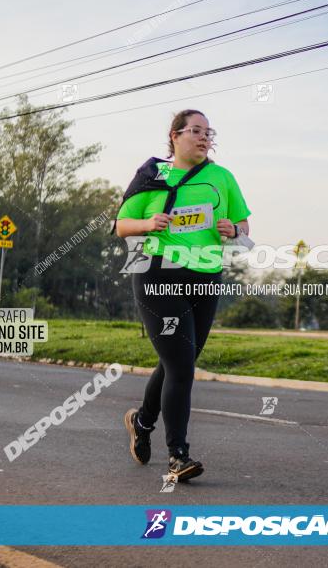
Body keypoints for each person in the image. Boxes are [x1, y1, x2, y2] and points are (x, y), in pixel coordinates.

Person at [115, 109, 251, 482]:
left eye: (209, 132)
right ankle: (178, 456)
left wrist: (232, 228)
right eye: (196, 130)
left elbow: (244, 225)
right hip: (158, 274)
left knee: (180, 360)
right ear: (174, 136)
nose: (205, 137)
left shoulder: (222, 177)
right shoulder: (152, 175)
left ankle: (141, 423)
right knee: (181, 366)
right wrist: (148, 223)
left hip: (206, 276)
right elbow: (120, 225)